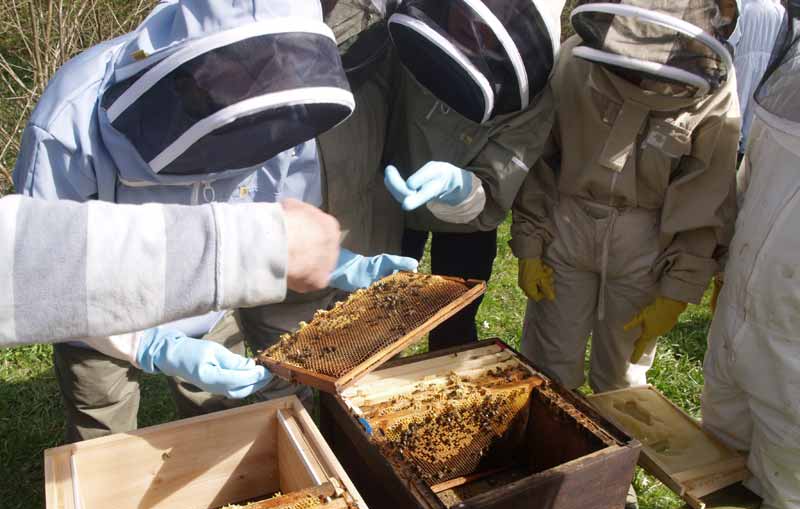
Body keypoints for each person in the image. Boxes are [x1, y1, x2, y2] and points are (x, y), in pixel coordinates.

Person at [13, 0, 415, 441]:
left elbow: (284, 202)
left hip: (210, 290)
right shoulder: (67, 122)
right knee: (100, 418)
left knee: (218, 411)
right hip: (91, 301)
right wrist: (149, 344)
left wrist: (326, 258)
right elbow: (44, 267)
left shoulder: (281, 101)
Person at [511, 0, 741, 394]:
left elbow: (708, 192)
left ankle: (611, 457)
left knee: (622, 381)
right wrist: (530, 242)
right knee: (546, 367)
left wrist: (677, 291)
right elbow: (540, 158)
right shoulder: (575, 60)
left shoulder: (711, 85)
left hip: (646, 241)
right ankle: (545, 453)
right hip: (568, 225)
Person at [381, 0, 563, 350]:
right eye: (468, 7)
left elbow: (500, 178)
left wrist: (462, 190)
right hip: (389, 202)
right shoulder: (401, 41)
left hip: (468, 227)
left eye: (493, 18)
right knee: (379, 313)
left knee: (455, 319)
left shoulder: (534, 96)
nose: (474, 23)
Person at [703, 4, 800, 509]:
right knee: (725, 424)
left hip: (795, 326)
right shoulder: (791, 56)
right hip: (742, 292)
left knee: (792, 459)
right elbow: (752, 168)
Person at [0, 195, 340, 347]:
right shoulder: (67, 122)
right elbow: (41, 257)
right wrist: (257, 246)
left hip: (200, 305)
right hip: (89, 332)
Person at [729, 0, 785, 154]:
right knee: (755, 106)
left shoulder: (746, 7)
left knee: (739, 101)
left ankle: (732, 142)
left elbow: (733, 39)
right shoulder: (780, 11)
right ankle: (747, 145)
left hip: (744, 60)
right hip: (767, 64)